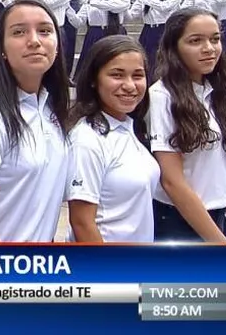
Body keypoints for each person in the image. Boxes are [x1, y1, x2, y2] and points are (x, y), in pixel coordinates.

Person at [148, 8, 226, 243]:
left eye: (215, 39)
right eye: (195, 41)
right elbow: (172, 181)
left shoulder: (218, 92)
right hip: (178, 221)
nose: (209, 48)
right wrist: (219, 243)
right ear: (174, 47)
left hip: (218, 217)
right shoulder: (162, 96)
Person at [0, 0, 72, 242]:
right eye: (19, 32)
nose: (34, 41)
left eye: (45, 31)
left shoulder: (53, 110)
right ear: (2, 48)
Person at [66, 36, 160, 243]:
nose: (130, 85)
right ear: (93, 80)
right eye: (117, 75)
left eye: (137, 75)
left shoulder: (128, 127)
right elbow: (82, 222)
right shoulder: (87, 139)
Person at [129, 0, 186, 82]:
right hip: (149, 33)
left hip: (168, 31)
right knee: (148, 65)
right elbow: (131, 15)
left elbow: (164, 7)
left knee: (170, 64)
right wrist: (118, 2)